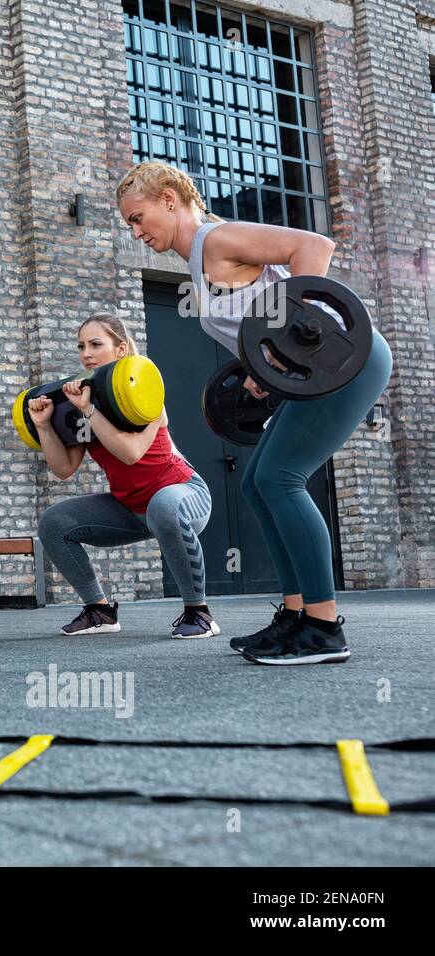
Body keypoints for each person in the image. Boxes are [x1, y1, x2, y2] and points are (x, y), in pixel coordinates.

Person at [116, 161, 393, 665]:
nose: (136, 232)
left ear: (170, 200)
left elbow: (313, 246)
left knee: (281, 479)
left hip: (344, 359)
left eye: (138, 218)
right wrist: (261, 371)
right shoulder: (201, 263)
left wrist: (294, 338)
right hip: (313, 374)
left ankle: (324, 627)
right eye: (129, 226)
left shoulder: (217, 241)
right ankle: (294, 615)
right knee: (257, 484)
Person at [32, 315, 217, 638]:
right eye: (81, 346)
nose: (85, 353)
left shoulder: (145, 392)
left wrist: (90, 411)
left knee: (164, 507)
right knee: (54, 522)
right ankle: (99, 610)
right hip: (130, 507)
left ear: (120, 349)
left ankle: (198, 612)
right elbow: (63, 469)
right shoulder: (79, 402)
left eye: (95, 344)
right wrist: (44, 425)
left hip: (182, 495)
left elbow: (131, 453)